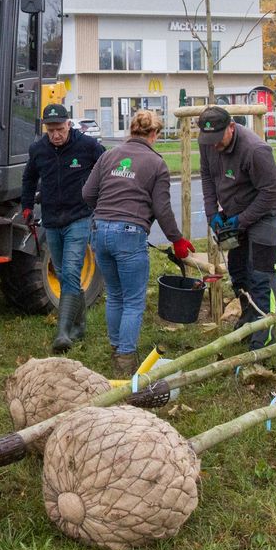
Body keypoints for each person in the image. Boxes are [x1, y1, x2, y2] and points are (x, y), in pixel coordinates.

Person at [82, 109, 194, 377]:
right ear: (154, 134)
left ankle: (115, 347)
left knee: (115, 295)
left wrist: (107, 212)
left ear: (131, 130)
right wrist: (177, 240)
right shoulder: (156, 164)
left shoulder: (108, 155)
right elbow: (162, 208)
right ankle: (125, 360)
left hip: (99, 230)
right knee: (133, 301)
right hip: (130, 234)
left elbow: (88, 193)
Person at [21, 103, 107, 353]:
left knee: (70, 271)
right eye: (50, 130)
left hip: (79, 218)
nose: (56, 135)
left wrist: (101, 199)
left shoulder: (88, 147)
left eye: (60, 129)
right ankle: (79, 324)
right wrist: (26, 207)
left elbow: (107, 168)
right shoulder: (38, 149)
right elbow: (28, 178)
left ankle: (63, 333)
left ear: (69, 124)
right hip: (51, 220)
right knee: (63, 274)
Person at [198, 105, 276, 350]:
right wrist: (212, 212)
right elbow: (206, 175)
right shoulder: (208, 143)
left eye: (217, 139)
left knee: (261, 276)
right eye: (208, 140)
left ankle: (263, 338)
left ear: (232, 127)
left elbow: (272, 191)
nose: (213, 145)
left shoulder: (255, 150)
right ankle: (249, 319)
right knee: (238, 272)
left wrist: (242, 220)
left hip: (264, 215)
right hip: (235, 213)